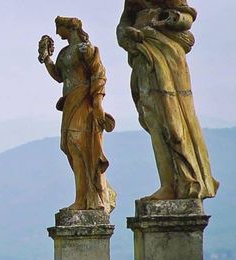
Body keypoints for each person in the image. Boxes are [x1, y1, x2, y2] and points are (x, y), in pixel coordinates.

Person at [117, 0, 219, 200]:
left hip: (167, 55)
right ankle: (168, 184)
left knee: (173, 122)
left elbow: (187, 17)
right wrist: (127, 34)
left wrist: (167, 20)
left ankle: (188, 179)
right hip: (143, 55)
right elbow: (123, 23)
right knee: (153, 118)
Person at [39, 16, 116, 212]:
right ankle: (83, 196)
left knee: (80, 145)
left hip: (84, 100)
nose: (57, 33)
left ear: (69, 28)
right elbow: (59, 76)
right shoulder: (64, 52)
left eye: (59, 28)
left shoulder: (85, 49)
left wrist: (98, 102)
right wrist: (47, 58)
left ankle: (88, 198)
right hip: (70, 101)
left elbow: (99, 73)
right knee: (70, 146)